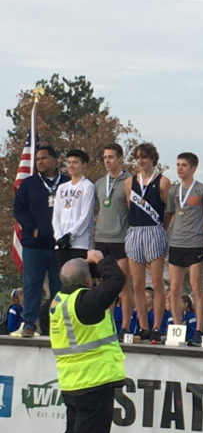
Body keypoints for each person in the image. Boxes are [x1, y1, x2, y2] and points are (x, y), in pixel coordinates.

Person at [49, 249, 126, 433]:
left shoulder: (58, 302)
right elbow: (116, 281)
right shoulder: (85, 304)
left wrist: (88, 268)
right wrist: (100, 260)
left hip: (72, 383)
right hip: (94, 382)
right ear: (86, 280)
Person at [13, 145, 70, 337]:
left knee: (59, 287)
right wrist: (33, 228)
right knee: (32, 286)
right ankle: (29, 324)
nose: (40, 162)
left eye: (44, 158)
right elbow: (19, 209)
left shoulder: (68, 183)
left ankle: (56, 325)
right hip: (34, 245)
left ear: (55, 160)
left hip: (60, 246)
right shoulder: (29, 184)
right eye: (37, 159)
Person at [124, 143, 171, 344]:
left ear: (153, 158)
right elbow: (129, 206)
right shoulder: (129, 182)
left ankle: (156, 326)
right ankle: (143, 325)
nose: (141, 161)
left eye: (145, 157)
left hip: (154, 230)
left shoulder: (163, 181)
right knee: (137, 283)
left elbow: (169, 211)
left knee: (157, 281)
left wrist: (162, 229)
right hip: (135, 231)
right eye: (138, 158)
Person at [166, 152, 203, 346]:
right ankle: (176, 327)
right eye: (178, 165)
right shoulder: (174, 191)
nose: (180, 168)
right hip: (176, 243)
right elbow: (170, 215)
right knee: (174, 288)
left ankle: (199, 329)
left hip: (195, 243)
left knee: (195, 286)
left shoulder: (202, 191)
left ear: (193, 168)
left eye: (184, 165)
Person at [94, 143, 132, 336]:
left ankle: (125, 326)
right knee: (104, 286)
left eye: (111, 157)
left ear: (120, 158)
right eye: (105, 157)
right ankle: (106, 325)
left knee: (123, 284)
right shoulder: (100, 183)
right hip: (101, 238)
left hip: (121, 239)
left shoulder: (129, 181)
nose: (107, 161)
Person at [53, 149, 95, 265]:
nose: (71, 165)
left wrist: (70, 235)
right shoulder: (62, 188)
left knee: (78, 278)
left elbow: (85, 216)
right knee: (65, 279)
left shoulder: (88, 186)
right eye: (69, 162)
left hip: (79, 243)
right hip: (62, 244)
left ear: (84, 165)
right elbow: (56, 215)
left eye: (75, 162)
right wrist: (59, 237)